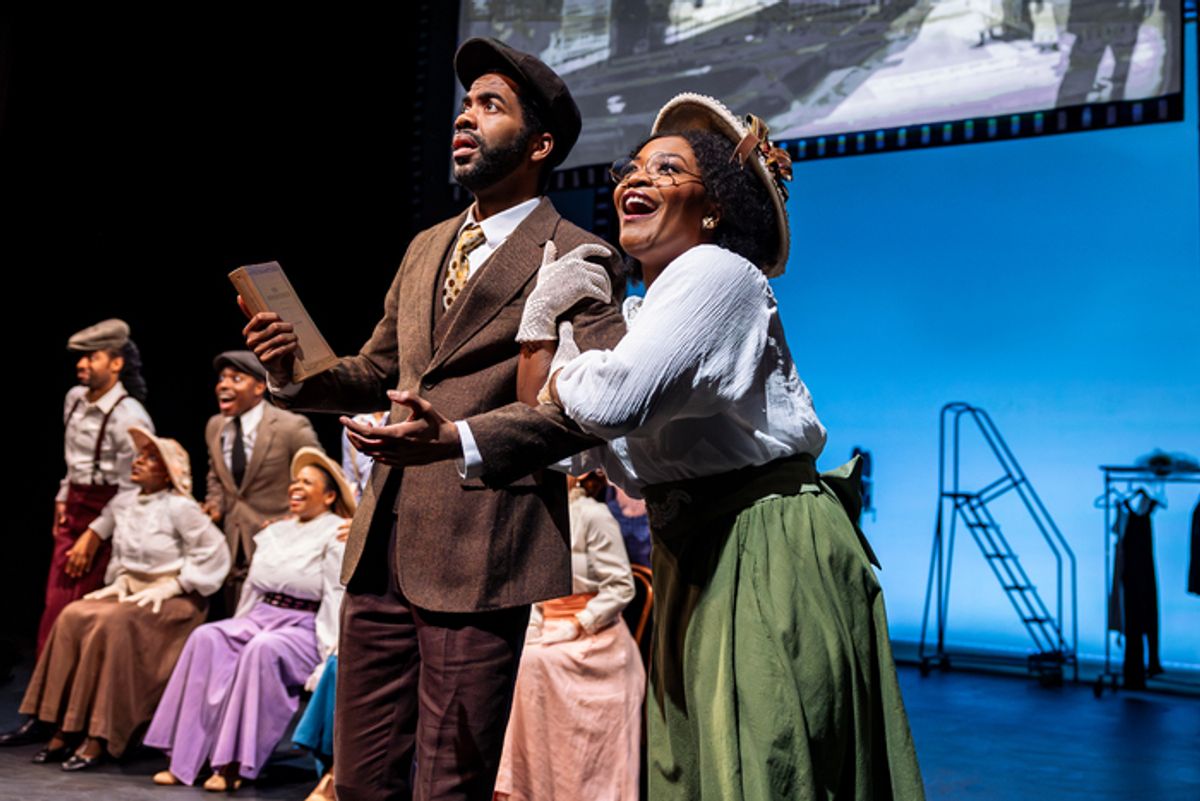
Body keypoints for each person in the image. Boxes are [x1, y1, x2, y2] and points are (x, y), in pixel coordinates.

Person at [379, 93, 926, 800]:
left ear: (713, 208)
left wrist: (578, 332)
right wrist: (544, 324)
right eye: (631, 167)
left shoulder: (718, 275)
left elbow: (608, 402)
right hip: (696, 549)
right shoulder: (644, 316)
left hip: (763, 542)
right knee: (701, 764)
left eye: (665, 170)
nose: (634, 180)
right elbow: (569, 445)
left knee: (762, 759)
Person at [240, 37, 624, 801]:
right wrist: (291, 373)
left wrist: (456, 439)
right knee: (363, 779)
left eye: (491, 106)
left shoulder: (579, 252)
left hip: (485, 549)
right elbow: (376, 371)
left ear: (540, 144)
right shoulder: (426, 247)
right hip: (384, 545)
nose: (464, 117)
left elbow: (582, 411)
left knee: (450, 784)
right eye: (465, 103)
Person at [6, 427, 229, 770]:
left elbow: (215, 554)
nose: (139, 461)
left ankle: (102, 733)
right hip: (133, 591)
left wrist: (175, 585)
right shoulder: (124, 502)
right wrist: (122, 581)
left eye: (149, 457)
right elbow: (120, 548)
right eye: (139, 456)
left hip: (174, 600)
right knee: (72, 615)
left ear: (168, 470)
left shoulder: (180, 508)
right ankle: (62, 724)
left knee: (111, 623)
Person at [144, 447, 353, 791]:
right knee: (207, 637)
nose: (295, 487)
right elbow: (253, 590)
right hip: (261, 615)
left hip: (302, 625)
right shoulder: (276, 532)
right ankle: (184, 761)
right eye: (294, 480)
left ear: (329, 496)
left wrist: (327, 652)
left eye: (307, 482)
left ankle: (232, 765)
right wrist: (234, 632)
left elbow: (334, 597)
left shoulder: (335, 534)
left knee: (262, 649)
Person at [494, 469, 643, 801]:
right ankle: (532, 786)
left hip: (597, 637)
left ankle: (571, 788)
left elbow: (620, 587)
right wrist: (535, 624)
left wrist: (578, 624)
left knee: (535, 663)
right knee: (519, 660)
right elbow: (528, 585)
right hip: (549, 625)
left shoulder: (593, 514)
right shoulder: (537, 514)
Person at [33, 318, 155, 657]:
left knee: (80, 604)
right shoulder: (74, 399)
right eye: (81, 357)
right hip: (75, 503)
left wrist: (95, 532)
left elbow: (133, 487)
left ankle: (71, 693)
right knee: (55, 599)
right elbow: (73, 458)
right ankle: (50, 692)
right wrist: (62, 496)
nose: (81, 364)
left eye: (92, 357)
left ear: (116, 364)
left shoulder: (129, 415)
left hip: (109, 514)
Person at [203, 350, 321, 616]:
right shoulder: (215, 426)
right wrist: (214, 504)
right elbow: (215, 474)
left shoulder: (291, 426)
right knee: (235, 613)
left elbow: (318, 476)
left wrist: (295, 518)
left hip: (279, 540)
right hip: (233, 542)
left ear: (258, 386)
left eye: (235, 378)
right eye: (222, 378)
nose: (223, 384)